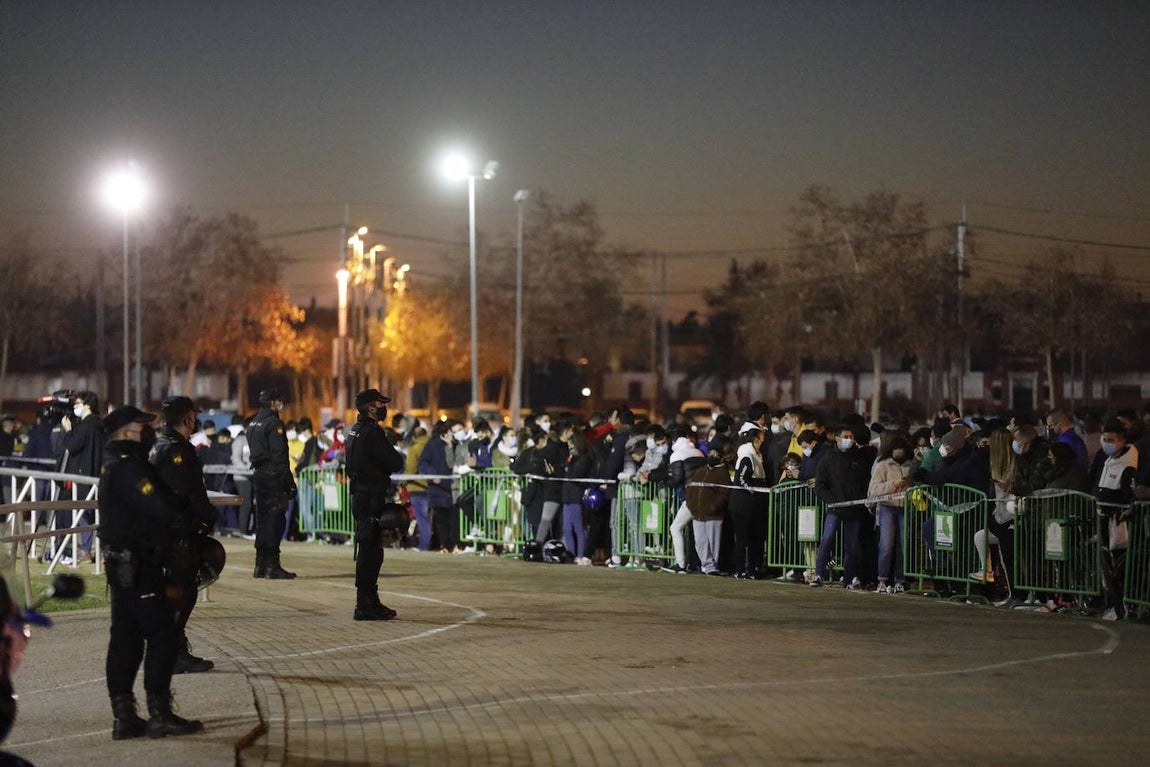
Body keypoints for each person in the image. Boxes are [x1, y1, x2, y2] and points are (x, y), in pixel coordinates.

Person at [98, 406, 203, 740]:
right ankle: (159, 713)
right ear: (127, 432)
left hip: (122, 565)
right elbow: (160, 508)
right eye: (142, 428)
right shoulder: (129, 469)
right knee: (163, 634)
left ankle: (125, 716)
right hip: (138, 566)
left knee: (126, 637)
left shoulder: (116, 465)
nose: (149, 432)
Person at [148, 396, 218, 674]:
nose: (195, 420)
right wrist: (209, 515)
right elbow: (187, 492)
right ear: (188, 418)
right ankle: (172, 653)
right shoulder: (177, 451)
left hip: (165, 531)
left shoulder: (160, 445)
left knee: (176, 593)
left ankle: (173, 648)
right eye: (193, 416)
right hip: (177, 532)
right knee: (183, 592)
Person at [344, 389, 406, 621]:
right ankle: (366, 603)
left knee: (368, 548)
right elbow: (395, 461)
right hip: (370, 496)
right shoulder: (372, 432)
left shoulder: (354, 431)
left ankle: (368, 600)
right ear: (371, 407)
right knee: (371, 551)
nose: (383, 407)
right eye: (380, 403)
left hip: (361, 495)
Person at [811, 425, 872, 589]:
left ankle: (849, 577)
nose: (849, 440)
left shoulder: (858, 458)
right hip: (835, 508)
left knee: (851, 545)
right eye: (846, 436)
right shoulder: (828, 459)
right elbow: (820, 485)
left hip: (854, 509)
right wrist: (831, 500)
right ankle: (818, 573)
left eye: (851, 437)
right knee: (827, 539)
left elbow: (865, 481)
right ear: (837, 438)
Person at [246, 389, 296, 579]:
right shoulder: (273, 424)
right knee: (275, 520)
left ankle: (260, 564)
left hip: (259, 476)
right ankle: (272, 566)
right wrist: (289, 481)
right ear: (273, 403)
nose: (281, 404)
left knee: (262, 521)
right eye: (279, 401)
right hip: (273, 477)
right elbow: (280, 455)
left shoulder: (253, 423)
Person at [61, 390, 105, 561]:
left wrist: (68, 430)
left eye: (78, 403)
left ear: (88, 405)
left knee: (84, 514)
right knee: (94, 514)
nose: (75, 407)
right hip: (96, 473)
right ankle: (97, 551)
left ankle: (86, 550)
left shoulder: (85, 426)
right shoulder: (99, 425)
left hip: (83, 474)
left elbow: (72, 446)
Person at [869, 434, 913, 593]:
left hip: (905, 509)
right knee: (886, 546)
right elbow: (874, 489)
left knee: (903, 546)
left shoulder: (911, 466)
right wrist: (893, 484)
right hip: (887, 508)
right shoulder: (882, 465)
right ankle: (882, 580)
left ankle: (900, 580)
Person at [685, 434, 732, 576]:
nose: (712, 455)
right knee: (700, 542)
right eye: (710, 452)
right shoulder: (700, 471)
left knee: (713, 543)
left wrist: (713, 507)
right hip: (697, 513)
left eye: (715, 453)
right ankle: (706, 565)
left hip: (713, 515)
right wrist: (691, 504)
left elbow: (724, 493)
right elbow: (691, 489)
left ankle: (712, 567)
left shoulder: (723, 473)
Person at [730, 423, 768, 580]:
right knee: (742, 539)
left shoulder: (757, 456)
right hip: (743, 505)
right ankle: (741, 569)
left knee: (754, 539)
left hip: (753, 506)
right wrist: (754, 491)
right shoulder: (748, 457)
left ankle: (751, 569)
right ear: (756, 440)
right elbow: (741, 479)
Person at [404, 426, 432, 551]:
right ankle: (429, 542)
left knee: (422, 518)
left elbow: (410, 468)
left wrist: (404, 481)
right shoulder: (433, 445)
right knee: (429, 518)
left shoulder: (414, 447)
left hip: (417, 486)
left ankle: (424, 545)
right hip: (432, 486)